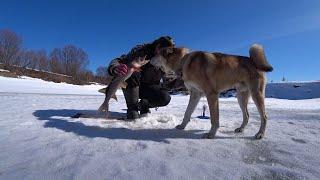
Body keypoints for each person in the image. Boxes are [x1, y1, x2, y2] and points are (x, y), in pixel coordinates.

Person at [107, 36, 175, 119]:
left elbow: (169, 79)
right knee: (132, 70)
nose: (166, 54)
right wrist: (115, 68)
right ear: (158, 47)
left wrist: (181, 80)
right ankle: (132, 109)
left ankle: (144, 105)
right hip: (132, 86)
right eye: (164, 51)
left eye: (169, 52)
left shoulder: (167, 60)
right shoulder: (141, 51)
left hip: (150, 88)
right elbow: (119, 60)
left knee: (165, 97)